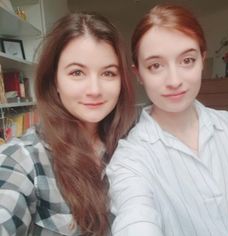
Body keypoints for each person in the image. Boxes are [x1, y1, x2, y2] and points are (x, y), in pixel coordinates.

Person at [0, 12, 135, 236]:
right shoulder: (23, 160)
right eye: (77, 72)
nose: (94, 89)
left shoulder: (133, 146)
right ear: (55, 81)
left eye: (108, 73)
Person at [106, 4, 228, 236]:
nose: (174, 80)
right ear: (139, 75)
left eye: (187, 60)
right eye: (156, 66)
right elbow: (134, 216)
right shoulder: (130, 160)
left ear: (202, 61)